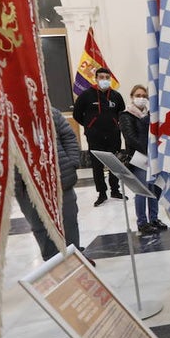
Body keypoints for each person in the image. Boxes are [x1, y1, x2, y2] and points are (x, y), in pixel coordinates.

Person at [13, 107, 81, 260]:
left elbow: (69, 136)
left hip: (60, 181)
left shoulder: (51, 112)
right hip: (27, 187)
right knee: (40, 229)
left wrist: (72, 163)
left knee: (69, 223)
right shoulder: (5, 116)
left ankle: (76, 262)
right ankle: (53, 265)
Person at [73, 67, 124, 206]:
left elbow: (121, 113)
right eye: (101, 77)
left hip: (113, 136)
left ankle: (115, 190)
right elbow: (76, 114)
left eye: (107, 78)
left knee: (114, 163)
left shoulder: (116, 96)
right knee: (97, 166)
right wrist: (89, 125)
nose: (104, 80)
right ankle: (102, 193)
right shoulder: (86, 95)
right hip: (95, 137)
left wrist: (116, 125)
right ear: (96, 79)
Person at [119, 84, 164, 234]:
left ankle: (154, 218)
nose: (142, 98)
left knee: (153, 188)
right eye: (138, 95)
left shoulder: (149, 115)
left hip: (151, 157)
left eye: (144, 96)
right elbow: (130, 138)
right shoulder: (126, 115)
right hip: (137, 158)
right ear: (132, 97)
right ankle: (142, 222)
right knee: (142, 189)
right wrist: (146, 150)